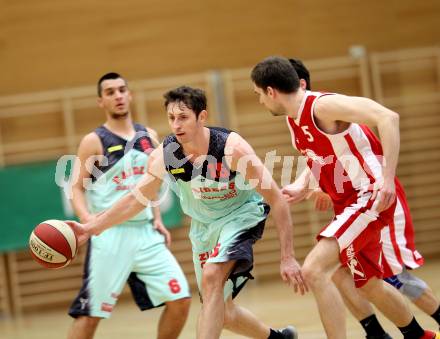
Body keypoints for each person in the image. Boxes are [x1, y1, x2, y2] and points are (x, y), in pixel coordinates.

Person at [67, 85, 306, 339]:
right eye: (171, 118)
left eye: (183, 117)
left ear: (201, 117)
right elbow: (135, 201)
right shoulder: (165, 155)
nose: (176, 125)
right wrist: (89, 227)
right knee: (221, 311)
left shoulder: (232, 149)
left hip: (240, 216)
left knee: (213, 277)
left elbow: (277, 200)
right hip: (203, 226)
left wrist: (287, 256)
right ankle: (277, 338)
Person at [251, 56, 440, 339]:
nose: (260, 102)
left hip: (370, 197)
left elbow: (388, 117)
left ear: (271, 91)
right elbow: (319, 158)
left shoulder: (322, 105)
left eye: (258, 95)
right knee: (363, 282)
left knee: (317, 270)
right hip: (349, 203)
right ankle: (416, 335)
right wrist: (302, 185)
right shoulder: (294, 121)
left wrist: (387, 179)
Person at [67, 73, 191, 339]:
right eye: (110, 92)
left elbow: (153, 182)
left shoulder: (149, 135)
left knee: (181, 299)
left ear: (130, 94)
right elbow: (76, 188)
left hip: (146, 233)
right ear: (101, 101)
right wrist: (89, 222)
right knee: (90, 315)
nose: (118, 96)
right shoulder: (94, 141)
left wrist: (157, 217)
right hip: (109, 234)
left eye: (122, 90)